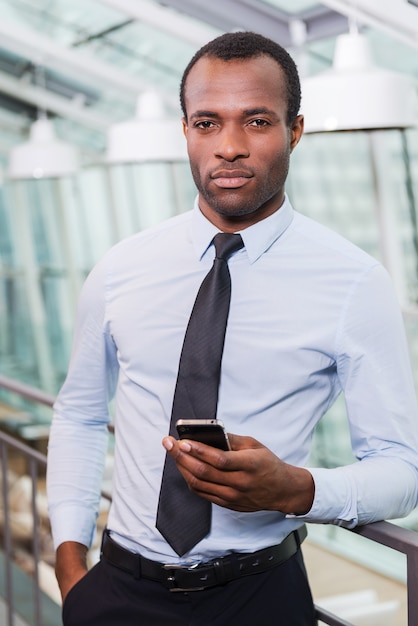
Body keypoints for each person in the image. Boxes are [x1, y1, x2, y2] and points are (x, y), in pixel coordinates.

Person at [47, 31, 418, 626]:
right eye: (207, 123)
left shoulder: (354, 282)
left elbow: (402, 470)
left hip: (260, 598)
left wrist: (296, 489)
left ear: (295, 131)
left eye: (257, 121)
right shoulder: (122, 268)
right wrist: (70, 563)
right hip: (117, 592)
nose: (230, 147)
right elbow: (81, 414)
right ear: (186, 131)